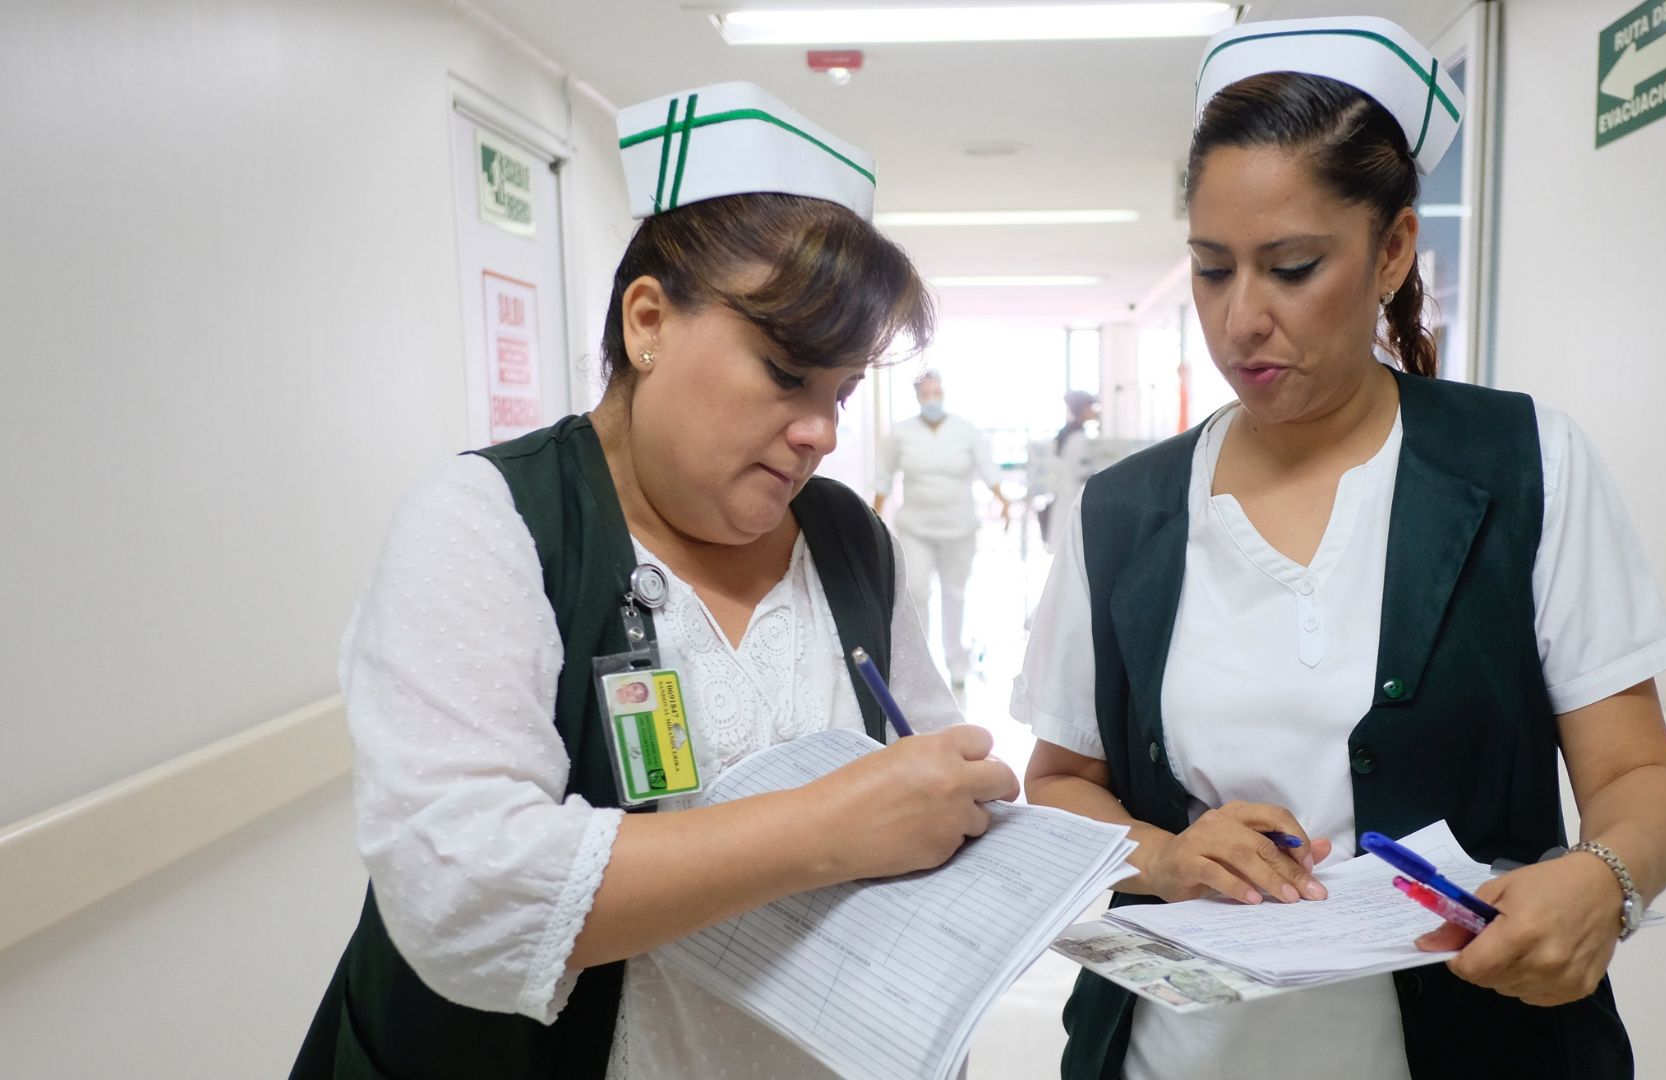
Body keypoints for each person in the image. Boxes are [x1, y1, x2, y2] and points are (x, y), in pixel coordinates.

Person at [291, 82, 1018, 1080]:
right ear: (648, 321)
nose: (823, 431)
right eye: (785, 373)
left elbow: (920, 757)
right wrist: (829, 828)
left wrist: (966, 806)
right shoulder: (494, 523)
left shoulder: (848, 540)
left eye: (842, 392)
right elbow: (462, 888)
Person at [1015, 18, 1666, 1080]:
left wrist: (1604, 879)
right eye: (1209, 269)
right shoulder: (1125, 513)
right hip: (1179, 1053)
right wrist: (1168, 854)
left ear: (1391, 250)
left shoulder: (1522, 465)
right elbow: (1057, 782)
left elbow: (1641, 775)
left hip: (1481, 1047)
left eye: (1291, 268)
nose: (1242, 319)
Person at [873, 370, 1012, 688]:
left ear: (944, 394)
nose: (931, 399)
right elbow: (884, 476)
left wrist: (1003, 501)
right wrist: (874, 517)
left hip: (958, 527)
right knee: (917, 591)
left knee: (955, 594)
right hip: (916, 528)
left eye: (937, 392)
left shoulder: (966, 431)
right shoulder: (902, 433)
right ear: (918, 397)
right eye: (926, 394)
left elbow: (988, 470)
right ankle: (920, 667)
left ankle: (956, 662)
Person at [1042, 389, 1100, 551]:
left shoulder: (1066, 433)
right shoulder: (1078, 438)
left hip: (1066, 498)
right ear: (1083, 409)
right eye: (1091, 407)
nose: (1094, 411)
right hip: (1073, 498)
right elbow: (1083, 473)